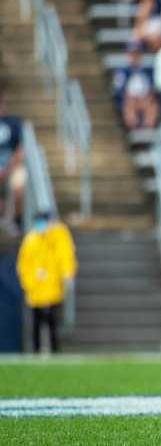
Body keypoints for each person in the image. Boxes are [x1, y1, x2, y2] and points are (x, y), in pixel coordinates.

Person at [16, 211, 77, 354]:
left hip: (53, 287)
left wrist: (67, 275)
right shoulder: (30, 240)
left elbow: (65, 256)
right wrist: (30, 282)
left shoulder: (59, 236)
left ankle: (54, 350)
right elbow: (23, 265)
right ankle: (37, 350)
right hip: (36, 289)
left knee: (52, 322)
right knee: (37, 323)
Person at [114, 40, 158, 129]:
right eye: (132, 54)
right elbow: (119, 90)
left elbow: (153, 88)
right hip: (130, 100)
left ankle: (148, 130)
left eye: (137, 54)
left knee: (152, 106)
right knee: (129, 105)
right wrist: (129, 97)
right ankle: (134, 129)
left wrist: (148, 97)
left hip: (145, 99)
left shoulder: (148, 71)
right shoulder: (122, 72)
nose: (135, 57)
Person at [0, 100, 24, 233]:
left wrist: (10, 167)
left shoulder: (14, 123)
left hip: (11, 165)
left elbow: (20, 149)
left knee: (19, 181)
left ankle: (16, 220)